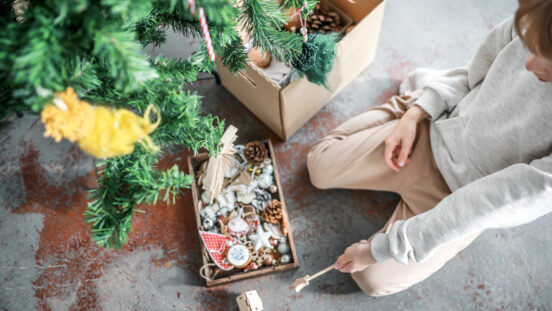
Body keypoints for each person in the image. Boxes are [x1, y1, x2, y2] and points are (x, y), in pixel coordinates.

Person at [306, 0, 552, 296]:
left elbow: (492, 203)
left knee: (373, 280)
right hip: (434, 133)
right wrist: (417, 113)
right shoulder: (538, 18)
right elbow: (474, 73)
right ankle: (417, 97)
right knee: (318, 166)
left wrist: (379, 250)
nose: (528, 64)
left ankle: (428, 94)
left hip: (464, 196)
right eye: (530, 46)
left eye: (547, 58)